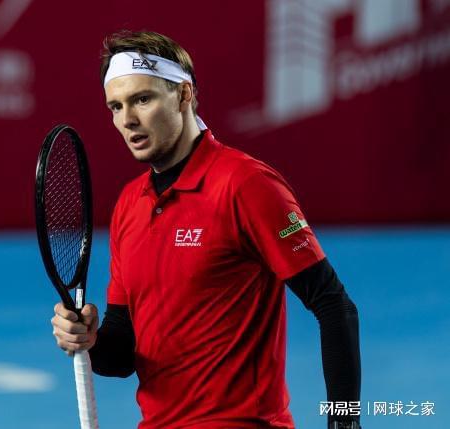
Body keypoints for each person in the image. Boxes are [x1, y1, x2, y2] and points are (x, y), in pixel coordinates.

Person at [51, 30, 361, 429]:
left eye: (143, 99)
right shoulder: (130, 204)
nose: (127, 119)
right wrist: (89, 340)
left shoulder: (245, 185)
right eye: (116, 106)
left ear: (183, 95)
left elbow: (334, 306)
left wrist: (344, 422)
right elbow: (121, 355)